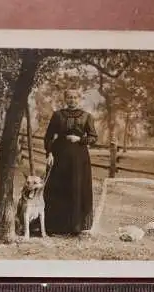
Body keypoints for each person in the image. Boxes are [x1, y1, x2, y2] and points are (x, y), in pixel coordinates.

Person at [43, 89, 98, 235]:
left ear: (79, 99)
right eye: (69, 97)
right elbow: (48, 136)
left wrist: (80, 139)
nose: (72, 100)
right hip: (60, 155)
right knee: (59, 189)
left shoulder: (87, 116)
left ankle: (76, 227)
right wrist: (49, 153)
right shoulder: (57, 115)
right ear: (65, 99)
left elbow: (93, 137)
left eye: (75, 98)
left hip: (79, 158)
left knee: (77, 188)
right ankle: (56, 227)